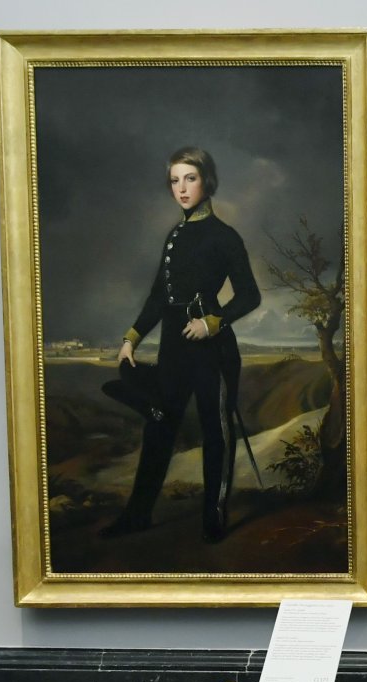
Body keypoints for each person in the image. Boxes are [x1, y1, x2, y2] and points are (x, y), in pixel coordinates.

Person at [100, 146, 260, 542]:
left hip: (211, 349)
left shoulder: (224, 236)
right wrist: (131, 339)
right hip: (173, 345)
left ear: (207, 181)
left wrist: (213, 323)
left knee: (215, 431)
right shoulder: (175, 235)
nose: (181, 188)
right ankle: (138, 515)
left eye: (190, 178)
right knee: (158, 426)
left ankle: (214, 517)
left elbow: (250, 295)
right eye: (175, 180)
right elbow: (158, 296)